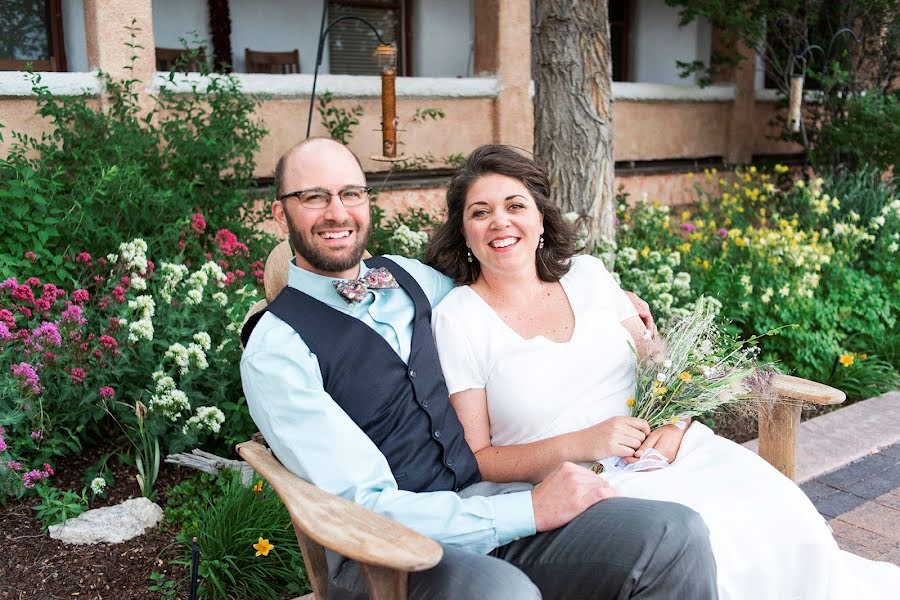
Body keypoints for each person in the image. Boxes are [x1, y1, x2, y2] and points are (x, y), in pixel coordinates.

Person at [240, 137, 719, 599]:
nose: (337, 212)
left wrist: (608, 304)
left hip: (490, 504)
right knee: (501, 593)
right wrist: (529, 509)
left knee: (674, 533)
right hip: (382, 552)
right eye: (314, 197)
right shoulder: (276, 351)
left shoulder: (411, 280)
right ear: (280, 212)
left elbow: (505, 294)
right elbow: (363, 505)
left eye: (350, 193)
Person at [426, 144, 900, 600]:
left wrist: (676, 425)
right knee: (712, 547)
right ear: (464, 233)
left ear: (541, 218)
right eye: (480, 212)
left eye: (515, 205)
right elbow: (478, 459)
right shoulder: (460, 319)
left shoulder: (588, 276)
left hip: (671, 452)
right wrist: (586, 442)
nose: (500, 222)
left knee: (783, 512)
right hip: (580, 482)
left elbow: (663, 367)